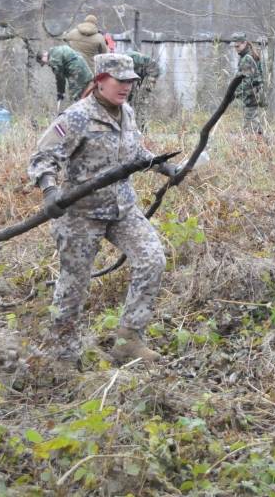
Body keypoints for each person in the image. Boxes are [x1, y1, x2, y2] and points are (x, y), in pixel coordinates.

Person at [27, 53, 181, 370]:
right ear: (99, 81)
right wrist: (49, 190)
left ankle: (128, 341)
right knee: (74, 285)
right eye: (120, 80)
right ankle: (63, 356)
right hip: (81, 213)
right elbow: (43, 156)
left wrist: (167, 167)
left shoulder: (127, 113)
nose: (126, 87)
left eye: (131, 81)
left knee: (152, 258)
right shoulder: (76, 117)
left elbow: (136, 152)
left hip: (122, 206)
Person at [36, 45, 93, 109]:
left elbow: (60, 78)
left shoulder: (53, 59)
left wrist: (60, 92)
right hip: (84, 67)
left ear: (43, 56)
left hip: (75, 70)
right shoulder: (55, 50)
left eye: (43, 62)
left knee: (75, 95)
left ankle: (81, 112)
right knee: (87, 89)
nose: (46, 64)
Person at [232, 33, 265, 135]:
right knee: (253, 119)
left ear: (245, 43)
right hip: (254, 93)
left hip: (251, 94)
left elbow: (247, 80)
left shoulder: (247, 58)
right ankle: (260, 142)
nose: (236, 49)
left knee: (248, 123)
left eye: (238, 46)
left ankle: (253, 143)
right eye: (235, 46)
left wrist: (235, 92)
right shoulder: (249, 55)